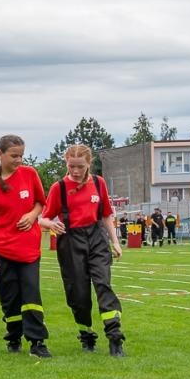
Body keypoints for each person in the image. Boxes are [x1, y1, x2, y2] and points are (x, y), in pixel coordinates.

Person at [0, 134, 51, 358]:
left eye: (21, 155)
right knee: (10, 297)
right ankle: (13, 337)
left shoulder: (29, 174)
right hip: (1, 251)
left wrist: (32, 215)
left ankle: (37, 342)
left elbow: (40, 202)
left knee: (31, 294)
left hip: (29, 250)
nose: (19, 160)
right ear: (0, 154)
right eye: (14, 155)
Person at [40, 144, 126, 357]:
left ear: (89, 164)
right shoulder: (58, 188)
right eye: (71, 167)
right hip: (70, 240)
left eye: (80, 166)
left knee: (103, 285)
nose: (76, 171)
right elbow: (42, 217)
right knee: (78, 293)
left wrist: (115, 241)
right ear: (66, 164)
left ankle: (115, 338)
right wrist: (50, 225)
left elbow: (106, 214)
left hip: (97, 238)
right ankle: (86, 334)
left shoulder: (99, 183)